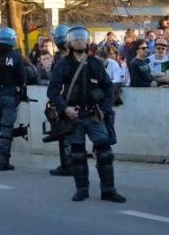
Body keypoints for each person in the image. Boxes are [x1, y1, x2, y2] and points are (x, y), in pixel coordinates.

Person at [48, 27, 126, 203]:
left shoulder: (95, 64)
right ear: (69, 43)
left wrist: (105, 110)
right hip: (73, 117)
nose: (79, 41)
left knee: (105, 152)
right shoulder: (63, 65)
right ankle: (81, 190)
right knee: (77, 154)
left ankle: (108, 190)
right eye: (75, 39)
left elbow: (108, 88)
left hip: (94, 115)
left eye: (82, 38)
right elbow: (52, 91)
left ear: (87, 41)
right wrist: (64, 108)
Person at [0, 27, 25, 171]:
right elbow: (22, 78)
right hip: (9, 94)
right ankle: (3, 161)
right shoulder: (15, 56)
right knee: (6, 129)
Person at [49, 24, 73, 177]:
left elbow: (56, 82)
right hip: (73, 98)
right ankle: (71, 163)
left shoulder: (60, 58)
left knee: (64, 133)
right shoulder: (74, 56)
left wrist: (55, 101)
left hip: (64, 99)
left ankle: (67, 165)